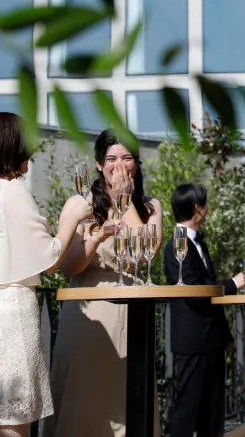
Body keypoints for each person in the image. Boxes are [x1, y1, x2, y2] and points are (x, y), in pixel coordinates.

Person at [47, 129, 163, 437]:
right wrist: (97, 237)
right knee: (85, 402)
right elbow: (70, 265)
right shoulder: (80, 204)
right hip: (88, 314)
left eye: (126, 158)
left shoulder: (150, 207)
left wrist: (125, 203)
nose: (119, 166)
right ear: (99, 164)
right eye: (111, 159)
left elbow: (146, 251)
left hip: (134, 312)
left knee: (129, 401)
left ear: (137, 163)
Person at [0, 113, 92, 437]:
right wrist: (73, 215)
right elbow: (50, 258)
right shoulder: (12, 190)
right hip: (12, 313)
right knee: (13, 420)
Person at [163, 184, 245, 437]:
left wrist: (225, 335)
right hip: (191, 341)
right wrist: (234, 283)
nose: (208, 209)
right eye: (205, 204)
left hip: (210, 340)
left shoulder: (198, 242)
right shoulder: (177, 243)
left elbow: (210, 296)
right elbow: (193, 289)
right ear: (197, 209)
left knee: (212, 411)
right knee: (187, 409)